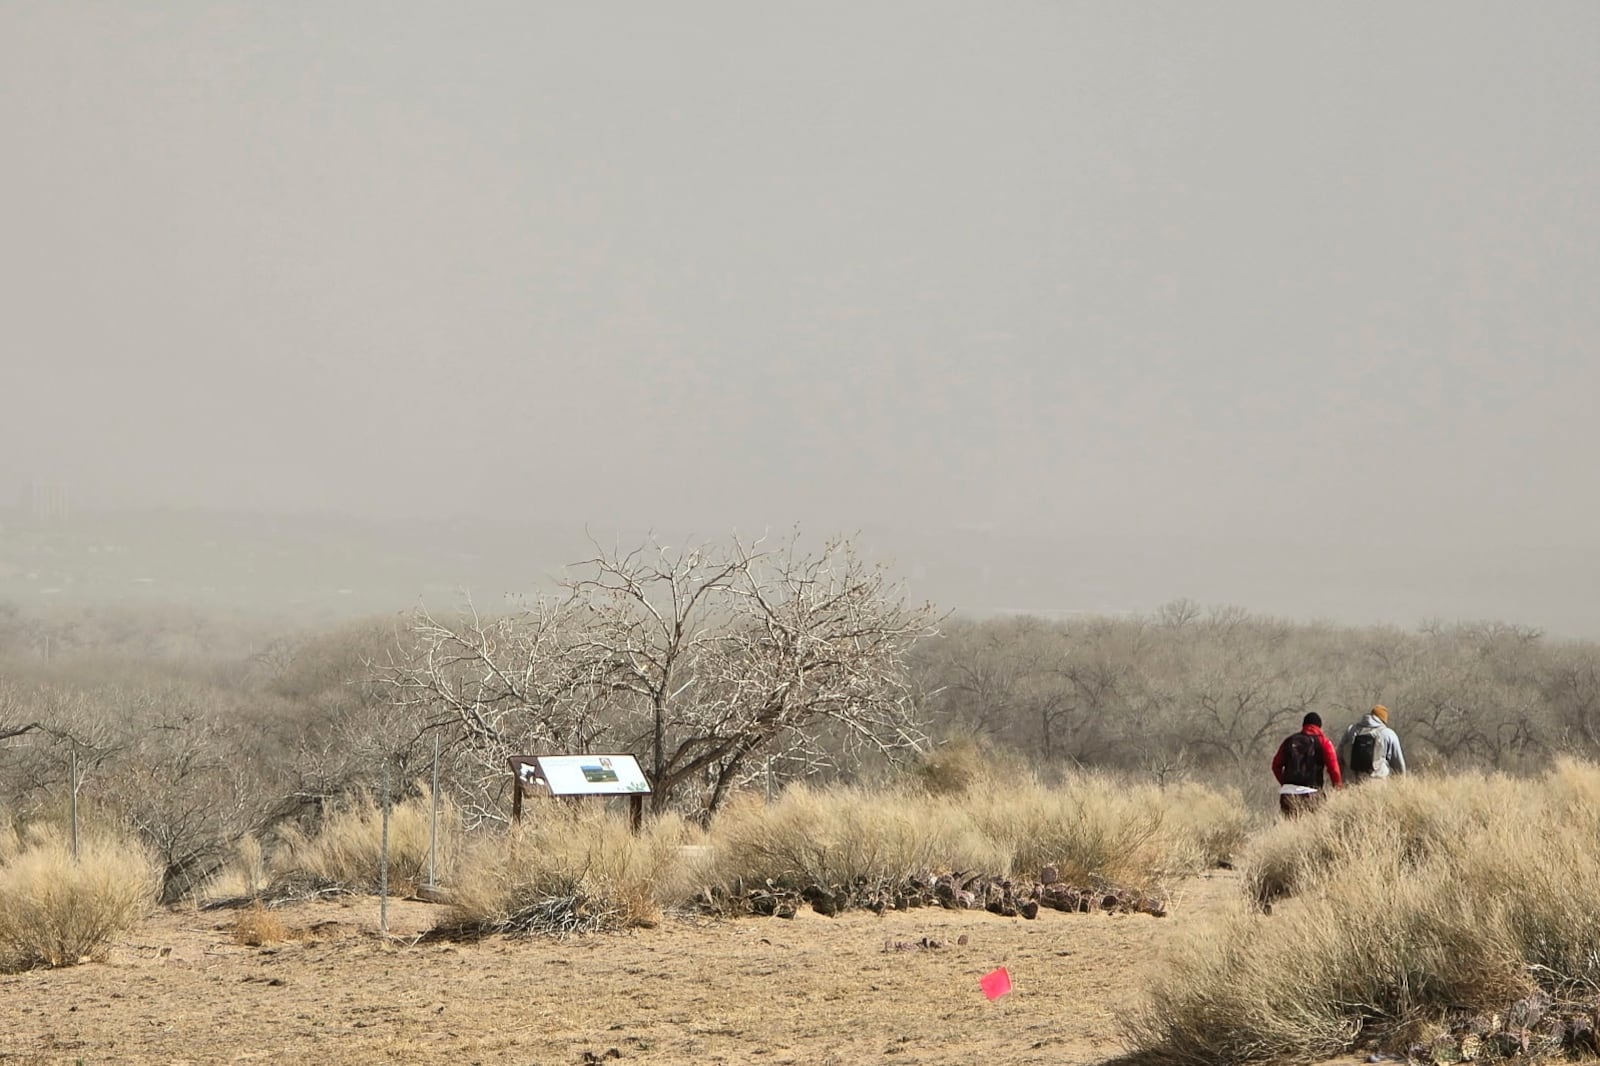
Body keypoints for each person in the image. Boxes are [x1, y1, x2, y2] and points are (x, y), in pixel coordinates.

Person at [1271, 711, 1343, 818]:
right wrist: (1338, 788)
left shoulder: (1289, 741)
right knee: (1310, 829)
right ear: (1319, 727)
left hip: (1288, 794)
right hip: (1312, 793)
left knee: (1290, 826)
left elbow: (1276, 766)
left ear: (1304, 725)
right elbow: (1334, 770)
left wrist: (1285, 783)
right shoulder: (1324, 742)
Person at [1338, 704, 1406, 782]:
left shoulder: (1351, 730)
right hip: (1377, 783)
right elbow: (1398, 764)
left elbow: (1339, 755)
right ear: (1383, 720)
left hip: (1352, 782)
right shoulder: (1388, 734)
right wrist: (1401, 784)